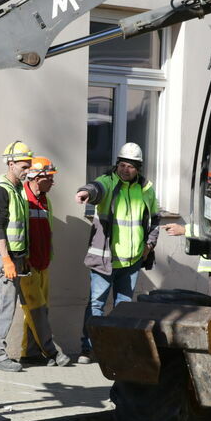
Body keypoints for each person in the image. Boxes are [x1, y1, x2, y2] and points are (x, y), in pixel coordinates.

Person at [74, 142, 160, 363]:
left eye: (130, 166)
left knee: (124, 307)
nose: (124, 169)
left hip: (132, 261)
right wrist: (85, 193)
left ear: (138, 168)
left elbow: (155, 220)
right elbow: (96, 188)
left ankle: (117, 349)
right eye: (121, 165)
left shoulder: (146, 189)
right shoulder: (109, 182)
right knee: (96, 304)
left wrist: (149, 246)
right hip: (106, 260)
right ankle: (89, 349)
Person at [0, 140, 34, 372]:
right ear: (10, 163)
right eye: (24, 166)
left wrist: (23, 256)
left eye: (29, 165)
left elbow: (20, 227)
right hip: (5, 257)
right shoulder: (2, 189)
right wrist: (6, 259)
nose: (27, 170)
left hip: (14, 256)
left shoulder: (17, 189)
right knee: (3, 306)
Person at [19, 157, 71, 367]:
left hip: (42, 263)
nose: (52, 182)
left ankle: (30, 353)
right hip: (27, 264)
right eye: (49, 178)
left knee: (38, 310)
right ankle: (51, 352)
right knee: (36, 310)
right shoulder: (22, 196)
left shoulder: (45, 200)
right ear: (36, 177)